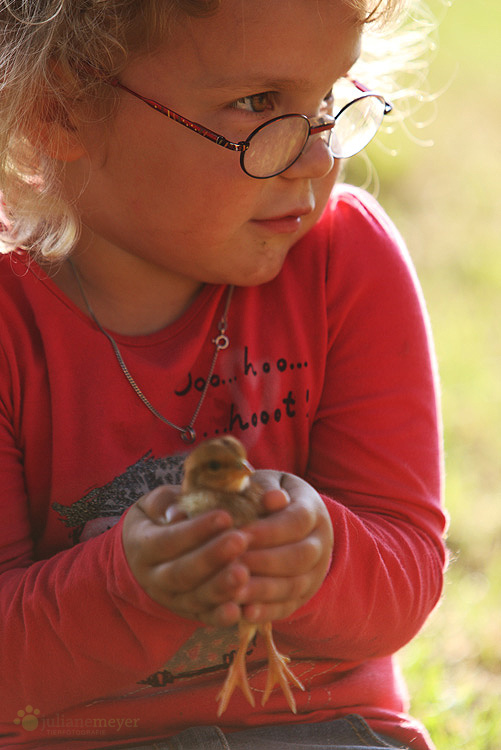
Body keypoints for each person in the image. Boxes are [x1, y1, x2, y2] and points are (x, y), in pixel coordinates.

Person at [0, 0, 448, 748]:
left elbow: (406, 569)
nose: (318, 158)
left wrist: (320, 556)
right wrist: (130, 586)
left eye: (328, 100)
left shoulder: (344, 263)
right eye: (257, 104)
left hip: (318, 727)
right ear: (61, 111)